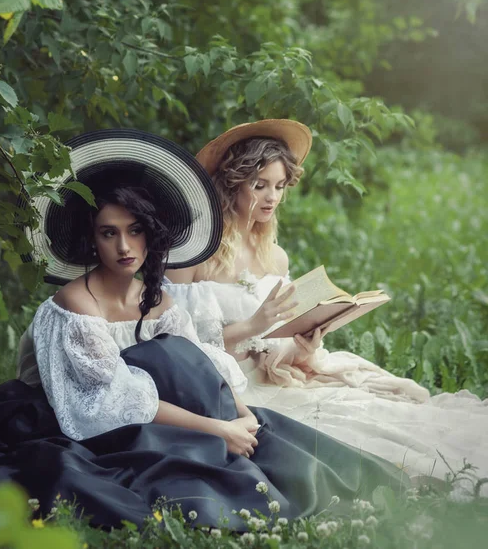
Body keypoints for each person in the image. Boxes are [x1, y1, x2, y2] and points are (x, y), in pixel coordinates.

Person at [0, 129, 408, 530]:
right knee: (179, 411)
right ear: (89, 238)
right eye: (108, 232)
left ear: (151, 233)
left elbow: (202, 362)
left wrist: (241, 415)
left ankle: (323, 479)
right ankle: (236, 465)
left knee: (247, 416)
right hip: (95, 422)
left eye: (135, 230)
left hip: (163, 410)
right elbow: (114, 401)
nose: (124, 246)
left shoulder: (158, 297)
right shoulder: (73, 304)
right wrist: (217, 428)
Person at [165, 119, 488, 488]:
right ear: (231, 184)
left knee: (387, 417)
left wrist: (304, 343)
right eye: (260, 185)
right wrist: (255, 326)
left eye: (280, 186)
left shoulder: (276, 257)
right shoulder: (194, 254)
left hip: (277, 375)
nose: (272, 197)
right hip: (230, 390)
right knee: (346, 437)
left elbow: (276, 338)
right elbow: (177, 350)